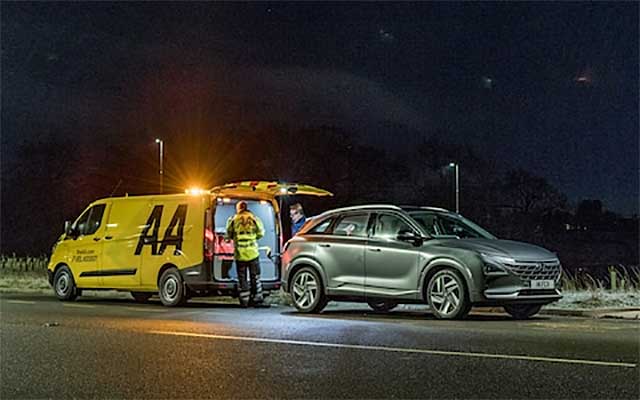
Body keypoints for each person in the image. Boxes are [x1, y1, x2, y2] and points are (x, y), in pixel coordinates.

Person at [225, 201, 269, 308]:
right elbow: (261, 233)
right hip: (253, 253)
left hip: (240, 254)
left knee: (242, 278)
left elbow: (229, 234)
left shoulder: (233, 220)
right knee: (255, 277)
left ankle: (244, 300)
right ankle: (257, 299)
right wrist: (253, 238)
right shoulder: (254, 219)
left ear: (238, 208)